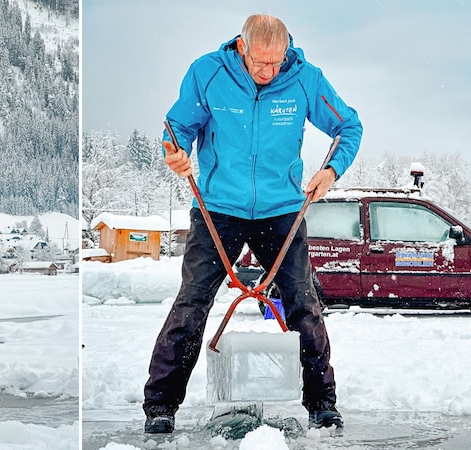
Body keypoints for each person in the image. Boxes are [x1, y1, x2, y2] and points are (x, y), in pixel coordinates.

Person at [143, 15, 363, 434]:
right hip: (218, 209)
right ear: (242, 47)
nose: (269, 72)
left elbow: (349, 126)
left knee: (303, 303)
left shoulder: (305, 79)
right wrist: (175, 151)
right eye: (261, 62)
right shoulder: (207, 72)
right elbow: (177, 127)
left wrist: (331, 171)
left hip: (281, 210)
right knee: (192, 302)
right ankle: (160, 406)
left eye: (277, 62)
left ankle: (322, 403)